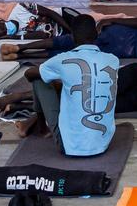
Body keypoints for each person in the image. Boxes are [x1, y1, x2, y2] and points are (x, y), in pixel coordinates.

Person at [25, 16, 120, 157]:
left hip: (70, 146)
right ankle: (37, 125)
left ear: (72, 37)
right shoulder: (113, 60)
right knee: (69, 83)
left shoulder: (63, 59)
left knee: (39, 79)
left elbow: (29, 73)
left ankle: (42, 128)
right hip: (103, 143)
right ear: (96, 34)